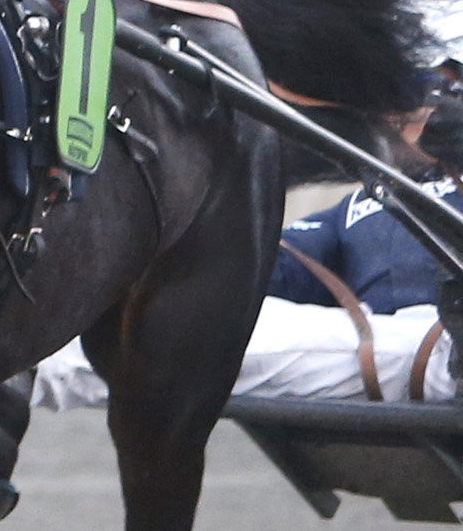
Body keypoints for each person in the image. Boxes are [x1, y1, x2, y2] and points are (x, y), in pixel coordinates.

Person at [35, 90, 463, 408]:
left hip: (440, 344)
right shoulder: (373, 199)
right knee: (169, 314)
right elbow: (268, 267)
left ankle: (23, 370)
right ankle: (21, 346)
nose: (398, 120)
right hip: (389, 337)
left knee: (168, 341)